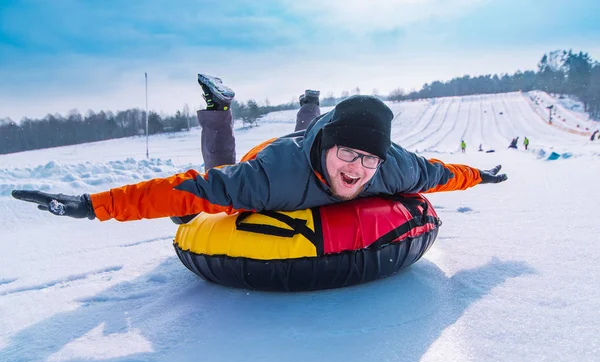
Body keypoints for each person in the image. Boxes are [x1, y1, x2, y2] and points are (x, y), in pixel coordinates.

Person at [11, 74, 507, 223]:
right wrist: (93, 205)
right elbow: (186, 190)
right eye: (352, 155)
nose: (359, 170)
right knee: (214, 176)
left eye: (369, 158)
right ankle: (219, 109)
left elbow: (443, 172)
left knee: (314, 131)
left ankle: (310, 107)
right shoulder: (268, 179)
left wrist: (481, 176)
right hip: (280, 153)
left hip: (313, 141)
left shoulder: (391, 168)